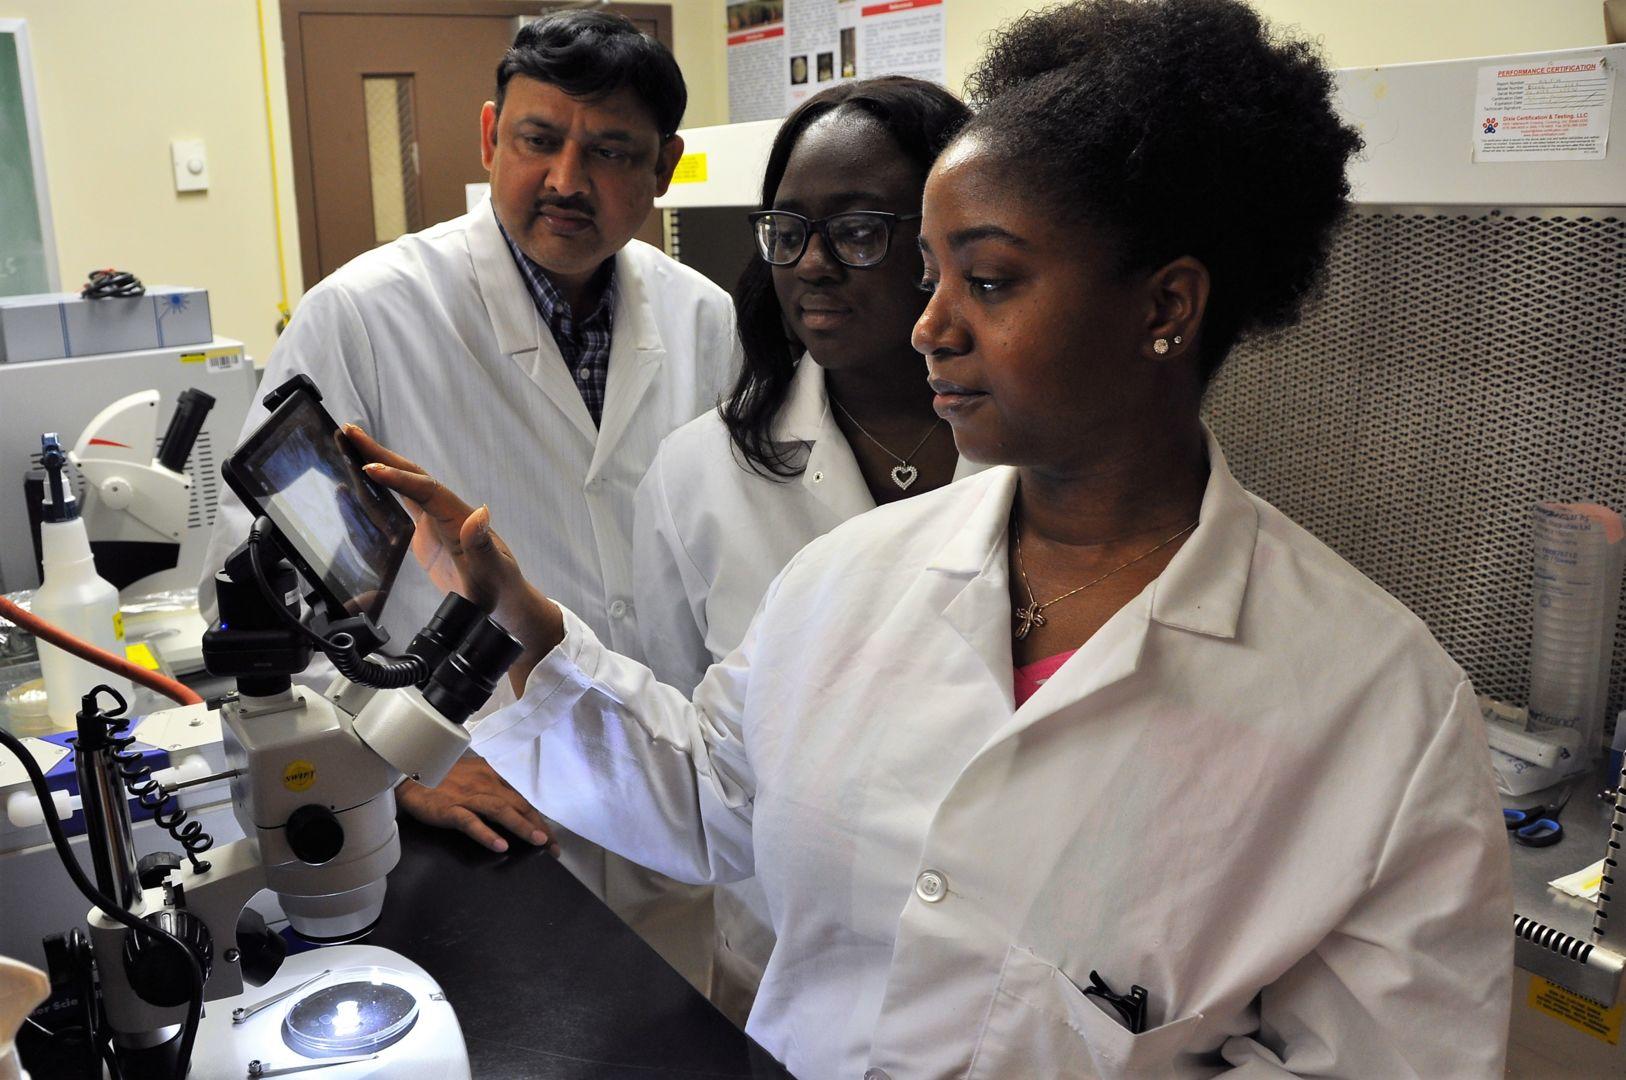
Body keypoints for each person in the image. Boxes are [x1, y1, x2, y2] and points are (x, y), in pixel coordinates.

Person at [354, 0, 1513, 1075]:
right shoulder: (847, 580)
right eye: (935, 271)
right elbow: (713, 801)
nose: (930, 325)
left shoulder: (1379, 713)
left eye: (990, 280)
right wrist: (524, 629)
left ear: (1165, 308)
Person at [198, 11, 732, 989]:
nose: (568, 180)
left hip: (669, 809)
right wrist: (391, 763)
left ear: (665, 168)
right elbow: (255, 589)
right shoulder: (363, 316)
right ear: (491, 136)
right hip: (480, 815)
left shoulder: (707, 318)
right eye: (539, 139)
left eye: (612, 151)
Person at [633, 78, 975, 1022]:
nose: (813, 264)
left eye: (860, 230)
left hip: (995, 985)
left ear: (947, 239)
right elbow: (683, 750)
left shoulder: (1033, 462)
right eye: (788, 231)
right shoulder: (695, 477)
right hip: (786, 972)